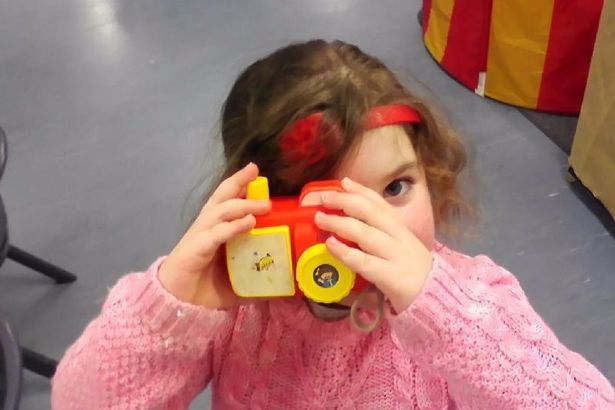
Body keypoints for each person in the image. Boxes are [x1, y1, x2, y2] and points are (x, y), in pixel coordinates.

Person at [51, 39, 614, 409]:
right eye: (325, 211)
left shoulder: (472, 300)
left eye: (395, 188)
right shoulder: (237, 307)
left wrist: (446, 313)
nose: (367, 232)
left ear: (430, 172)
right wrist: (169, 309)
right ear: (262, 212)